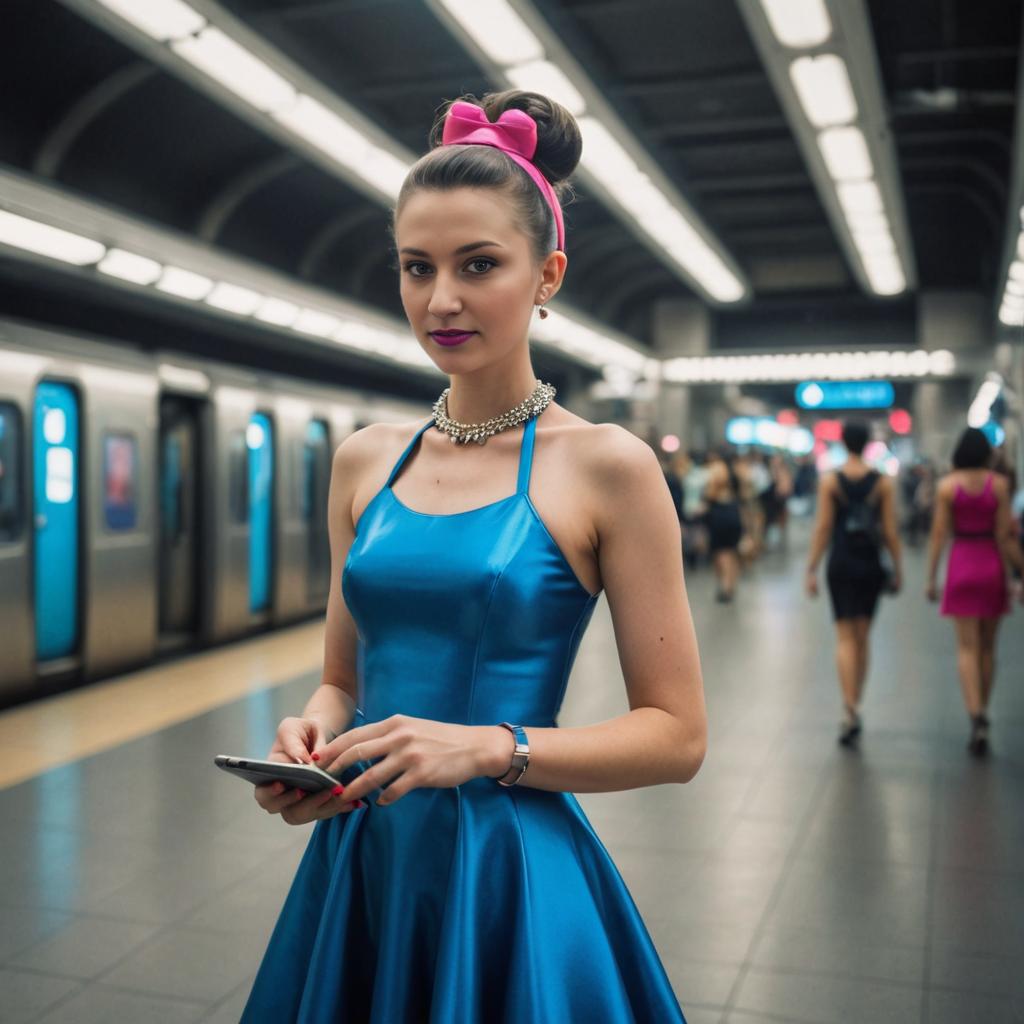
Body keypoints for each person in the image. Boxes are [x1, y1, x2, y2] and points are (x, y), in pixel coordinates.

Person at [240, 90, 707, 1022]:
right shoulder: (365, 460)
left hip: (505, 867)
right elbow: (342, 677)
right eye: (417, 268)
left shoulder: (609, 466)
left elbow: (678, 735)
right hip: (364, 855)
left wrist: (490, 746)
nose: (440, 299)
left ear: (548, 276)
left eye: (478, 264)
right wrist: (311, 736)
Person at [926, 428, 1024, 756]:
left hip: (961, 563)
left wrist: (931, 577)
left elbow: (939, 534)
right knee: (987, 647)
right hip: (990, 564)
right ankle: (985, 707)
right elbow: (1006, 536)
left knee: (966, 647)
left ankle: (975, 715)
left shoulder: (946, 487)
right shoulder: (998, 485)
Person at [805, 420, 902, 746]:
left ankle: (849, 710)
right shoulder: (883, 483)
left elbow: (822, 527)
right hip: (870, 563)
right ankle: (856, 700)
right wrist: (899, 566)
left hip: (841, 562)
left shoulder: (830, 481)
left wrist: (811, 568)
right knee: (864, 635)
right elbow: (889, 530)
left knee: (844, 636)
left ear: (844, 442)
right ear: (867, 443)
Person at [704, 448, 746, 602]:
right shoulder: (738, 472)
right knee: (732, 553)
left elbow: (711, 494)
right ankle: (730, 584)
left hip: (720, 515)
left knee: (721, 553)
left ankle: (725, 585)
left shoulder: (715, 471)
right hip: (733, 513)